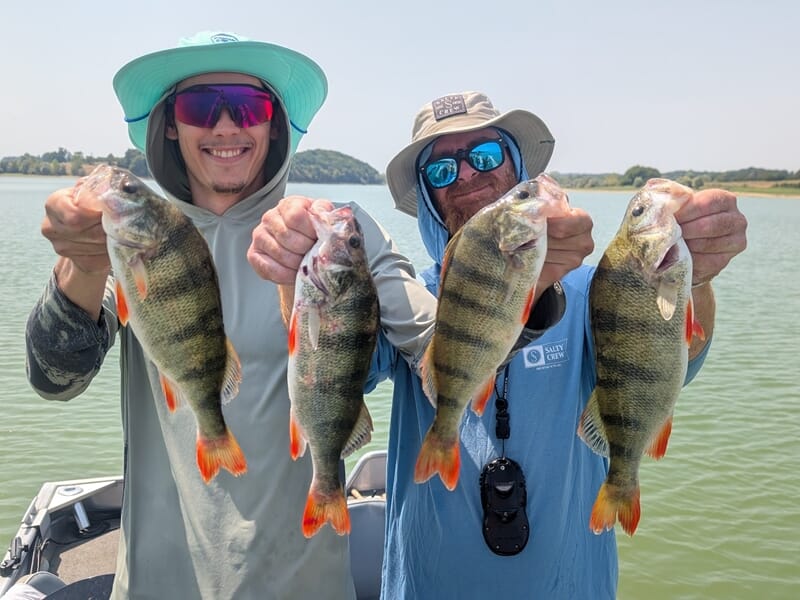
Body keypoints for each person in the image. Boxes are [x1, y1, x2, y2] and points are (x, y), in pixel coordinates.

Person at [24, 31, 435, 600]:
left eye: (248, 107)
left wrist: (523, 274)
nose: (224, 126)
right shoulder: (137, 233)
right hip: (156, 583)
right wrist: (83, 263)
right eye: (199, 106)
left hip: (305, 584)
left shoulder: (336, 230)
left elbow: (438, 340)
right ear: (170, 124)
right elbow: (54, 380)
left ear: (273, 124)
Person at [376, 91, 748, 598]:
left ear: (518, 168)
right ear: (428, 199)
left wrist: (696, 279)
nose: (465, 176)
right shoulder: (406, 302)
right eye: (441, 170)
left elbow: (673, 365)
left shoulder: (601, 287)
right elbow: (329, 368)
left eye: (485, 156)